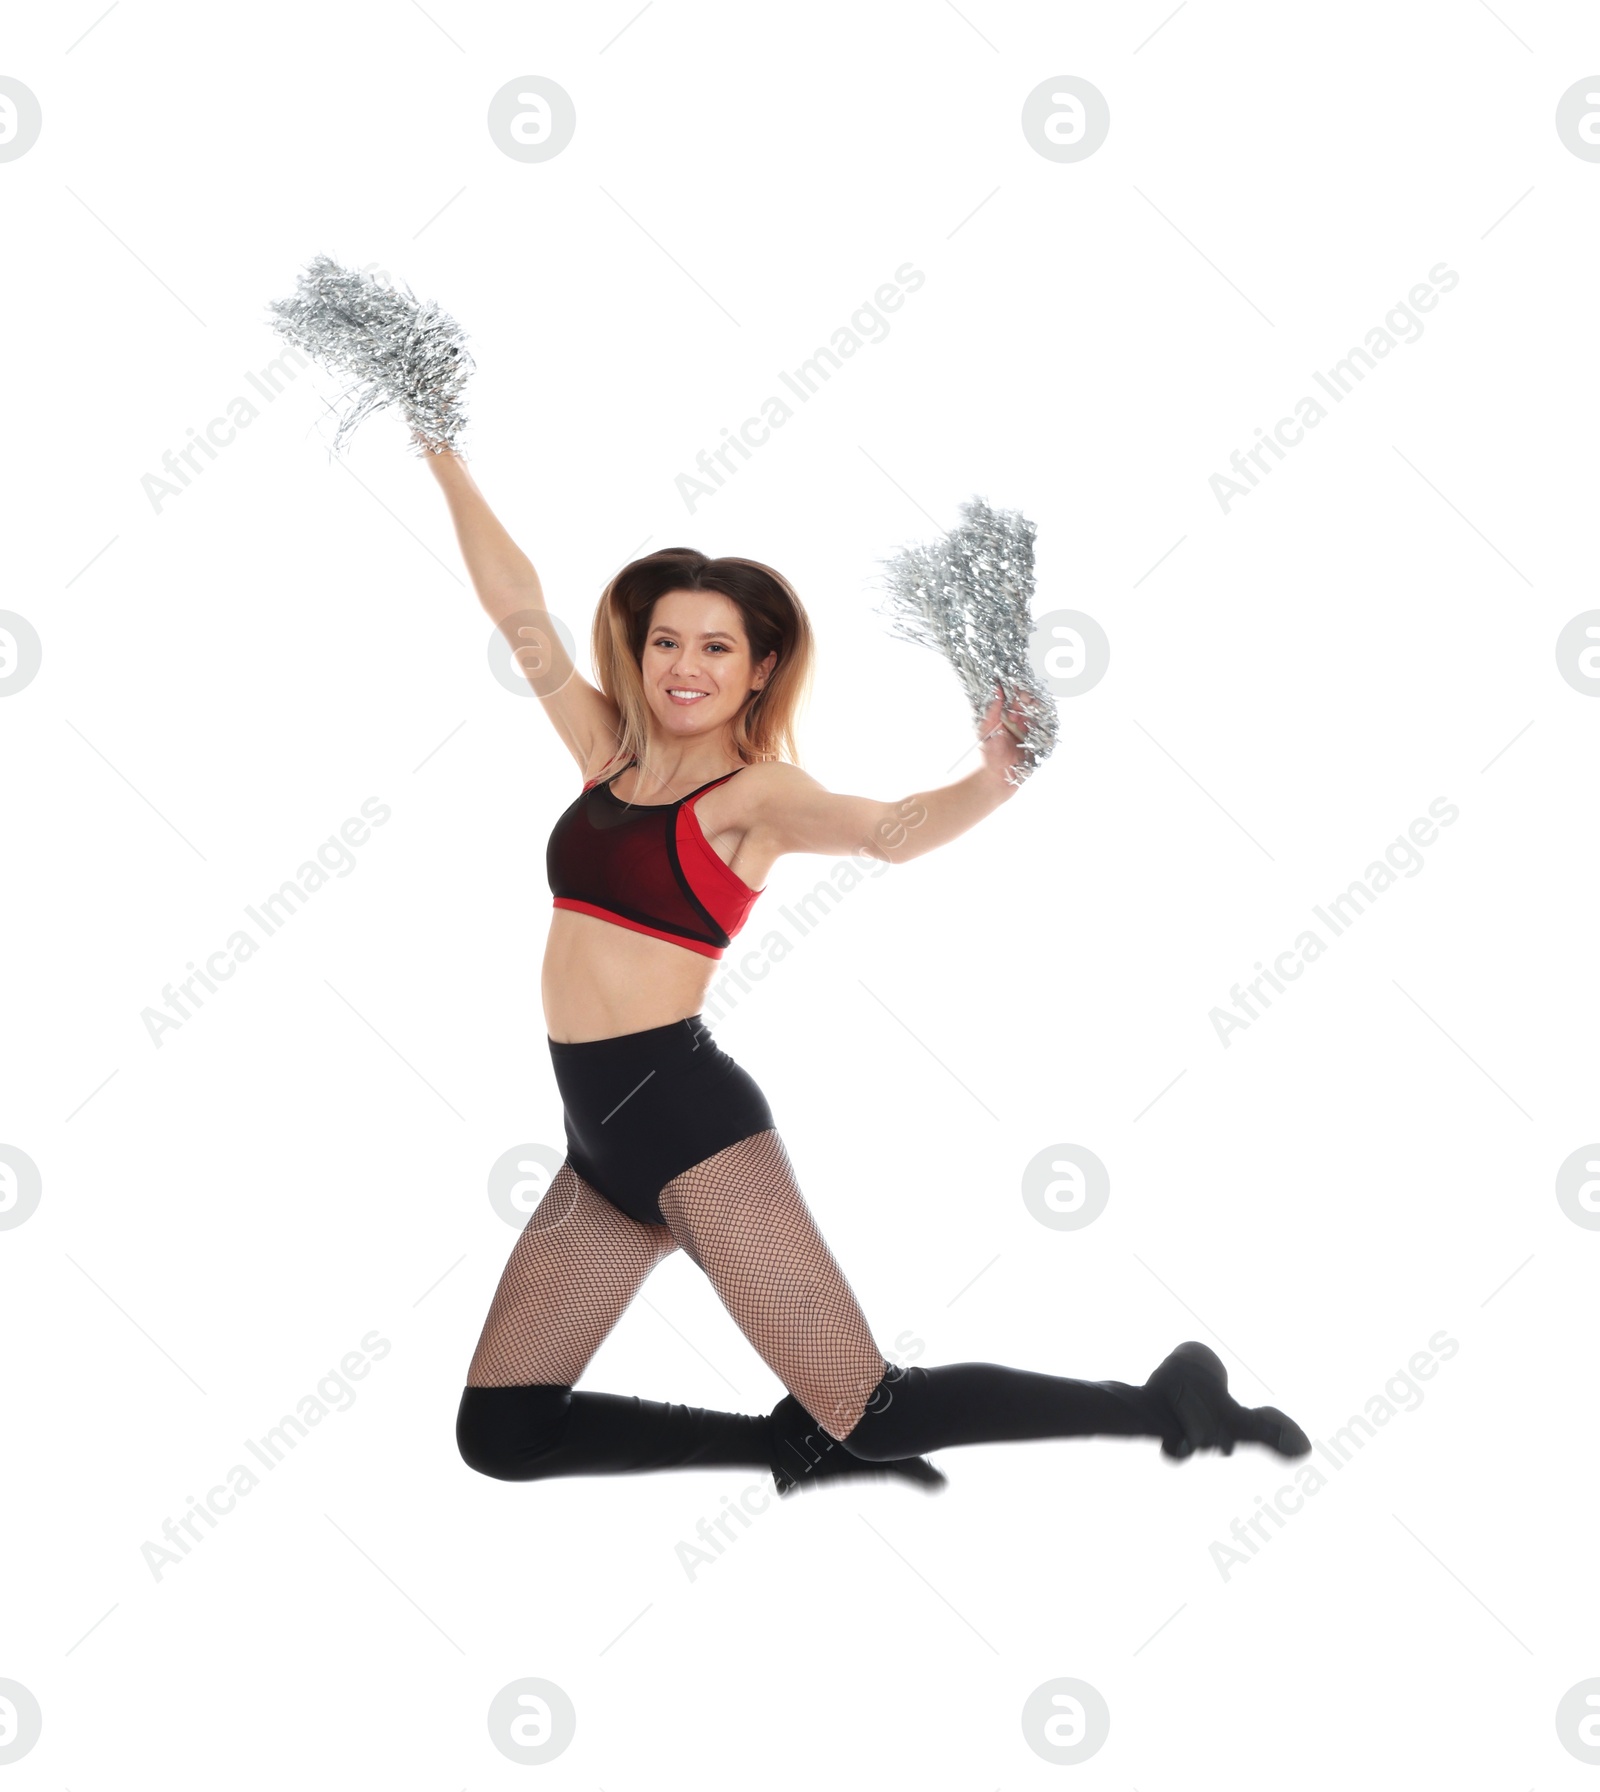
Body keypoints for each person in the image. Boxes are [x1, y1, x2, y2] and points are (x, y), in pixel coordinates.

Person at [425, 447, 1312, 1493]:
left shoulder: (753, 798)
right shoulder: (608, 755)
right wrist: (438, 443)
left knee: (878, 1410)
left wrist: (994, 777)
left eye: (716, 646)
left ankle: (1168, 1399)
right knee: (504, 1433)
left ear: (760, 669)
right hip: (598, 1143)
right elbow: (518, 610)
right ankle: (792, 1447)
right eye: (666, 639)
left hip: (683, 1120)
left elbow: (886, 829)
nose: (684, 665)